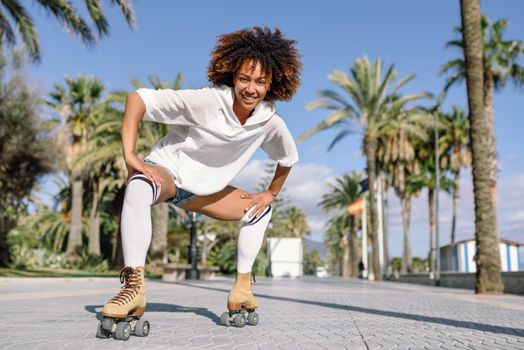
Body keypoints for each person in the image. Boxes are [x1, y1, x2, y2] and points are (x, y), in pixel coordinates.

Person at [100, 27, 303, 328]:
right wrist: (130, 155)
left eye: (260, 82)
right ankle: (133, 288)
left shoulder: (269, 122)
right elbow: (138, 100)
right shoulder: (207, 102)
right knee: (139, 186)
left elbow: (287, 158)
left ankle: (242, 289)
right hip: (169, 175)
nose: (251, 89)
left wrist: (270, 193)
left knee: (260, 210)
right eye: (244, 79)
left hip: (204, 194)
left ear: (271, 84)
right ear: (232, 76)